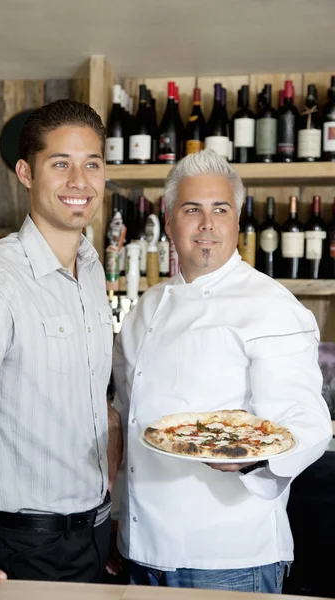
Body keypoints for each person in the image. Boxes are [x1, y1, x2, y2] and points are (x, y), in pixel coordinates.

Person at [112, 149, 332, 593]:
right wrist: (119, 524)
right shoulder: (145, 308)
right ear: (170, 223)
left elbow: (310, 423)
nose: (207, 224)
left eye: (221, 209)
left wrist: (251, 460)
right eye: (192, 210)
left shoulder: (270, 306)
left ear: (236, 222)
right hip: (140, 550)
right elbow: (128, 418)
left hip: (228, 557)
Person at [0, 99, 122, 598]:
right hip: (25, 545)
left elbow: (80, 391)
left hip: (93, 533)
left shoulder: (91, 268)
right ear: (25, 173)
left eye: (92, 164)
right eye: (60, 163)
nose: (79, 180)